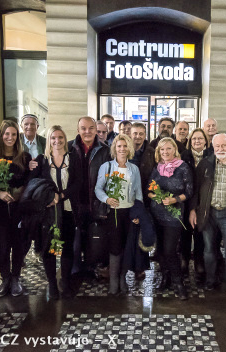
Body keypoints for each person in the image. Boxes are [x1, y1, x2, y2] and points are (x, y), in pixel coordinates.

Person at [189, 134, 226, 303]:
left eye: (224, 146)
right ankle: (210, 280)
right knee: (209, 250)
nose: (221, 149)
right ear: (213, 147)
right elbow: (196, 188)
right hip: (209, 213)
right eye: (217, 146)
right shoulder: (205, 164)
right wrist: (194, 209)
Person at [28, 126, 80, 299]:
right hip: (48, 213)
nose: (57, 141)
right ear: (48, 140)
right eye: (53, 138)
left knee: (66, 247)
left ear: (65, 139)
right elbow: (34, 184)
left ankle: (65, 281)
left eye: (60, 137)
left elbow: (79, 183)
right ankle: (52, 283)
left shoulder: (73, 158)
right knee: (49, 248)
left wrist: (62, 195)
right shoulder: (42, 160)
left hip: (67, 210)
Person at [0, 120, 32, 297]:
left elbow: (30, 181)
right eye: (6, 134)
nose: (10, 138)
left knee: (18, 245)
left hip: (19, 208)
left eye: (13, 134)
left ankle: (16, 278)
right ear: (1, 135)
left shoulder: (24, 157)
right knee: (3, 246)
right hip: (0, 209)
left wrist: (22, 192)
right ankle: (5, 279)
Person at [95, 134, 142, 294]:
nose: (122, 149)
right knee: (115, 247)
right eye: (119, 146)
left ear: (129, 148)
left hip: (129, 213)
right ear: (114, 148)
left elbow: (139, 193)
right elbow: (98, 189)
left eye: (125, 146)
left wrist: (137, 213)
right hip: (113, 213)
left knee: (127, 247)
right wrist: (107, 199)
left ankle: (122, 278)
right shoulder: (107, 167)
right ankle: (113, 281)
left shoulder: (134, 169)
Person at [148, 137, 193, 300]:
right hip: (157, 214)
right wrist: (156, 196)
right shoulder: (157, 168)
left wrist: (174, 199)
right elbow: (149, 189)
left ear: (175, 150)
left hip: (174, 215)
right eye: (162, 150)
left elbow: (189, 192)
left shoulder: (183, 168)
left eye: (168, 149)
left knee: (170, 250)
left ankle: (178, 283)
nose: (165, 152)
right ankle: (165, 277)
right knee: (160, 250)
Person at [68, 117, 111, 270]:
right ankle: (75, 270)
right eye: (83, 128)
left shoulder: (105, 150)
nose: (87, 132)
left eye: (91, 128)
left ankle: (92, 268)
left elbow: (109, 180)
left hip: (95, 202)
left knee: (94, 239)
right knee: (74, 238)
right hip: (74, 202)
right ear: (78, 130)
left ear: (95, 129)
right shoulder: (69, 148)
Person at [180, 128, 211, 279]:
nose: (197, 141)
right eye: (194, 139)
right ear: (190, 141)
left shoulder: (211, 156)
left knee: (200, 233)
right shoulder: (184, 156)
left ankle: (199, 261)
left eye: (200, 138)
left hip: (204, 201)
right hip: (186, 201)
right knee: (185, 232)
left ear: (205, 140)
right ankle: (184, 260)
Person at [129, 122, 155, 201]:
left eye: (141, 134)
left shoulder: (152, 152)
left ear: (145, 135)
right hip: (126, 193)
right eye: (135, 133)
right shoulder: (123, 150)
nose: (138, 136)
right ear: (130, 135)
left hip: (145, 194)